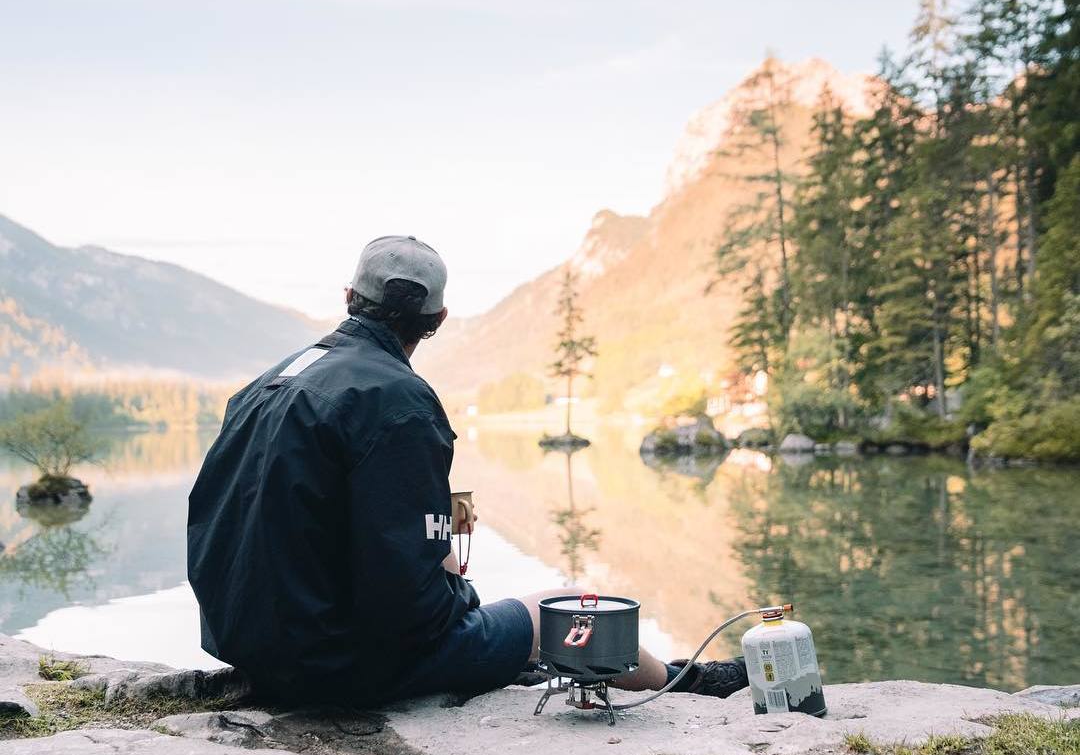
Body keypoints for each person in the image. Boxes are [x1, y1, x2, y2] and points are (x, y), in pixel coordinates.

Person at [187, 235, 748, 705]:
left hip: (252, 647)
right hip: (331, 668)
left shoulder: (272, 380)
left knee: (461, 585)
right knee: (574, 606)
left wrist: (435, 560)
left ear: (349, 297)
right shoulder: (400, 401)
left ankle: (526, 665)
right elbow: (413, 612)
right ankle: (683, 684)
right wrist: (465, 604)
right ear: (437, 320)